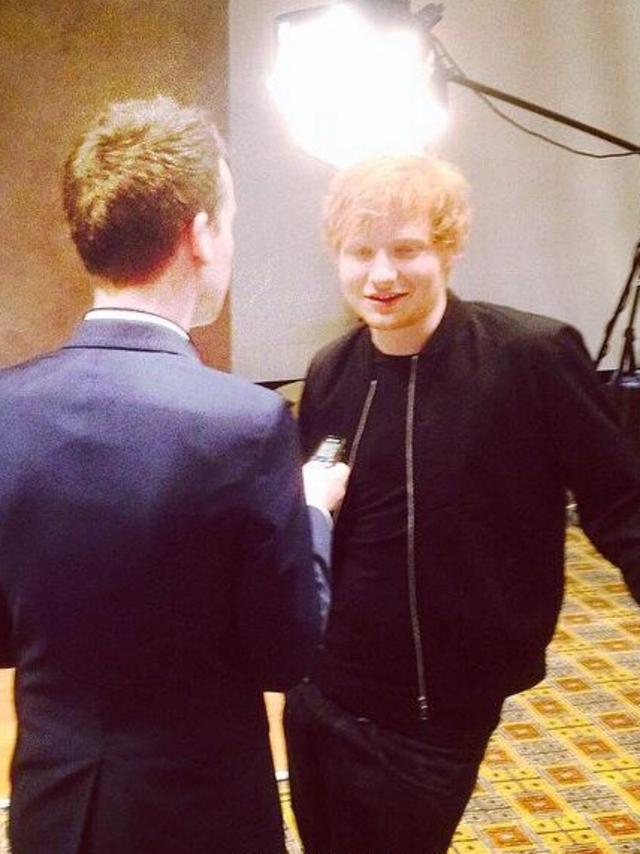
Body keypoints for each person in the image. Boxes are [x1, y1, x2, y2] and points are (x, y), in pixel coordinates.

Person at [0, 96, 347, 854]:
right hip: (196, 813)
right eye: (229, 223)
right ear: (198, 233)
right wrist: (314, 513)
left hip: (52, 810)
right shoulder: (245, 427)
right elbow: (286, 655)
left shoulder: (5, 409)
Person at [284, 154, 640, 854]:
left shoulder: (531, 357)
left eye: (406, 249)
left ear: (447, 249)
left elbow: (622, 502)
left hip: (436, 711)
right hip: (323, 692)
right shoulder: (331, 371)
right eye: (361, 252)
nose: (381, 275)